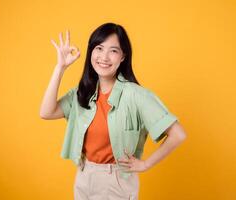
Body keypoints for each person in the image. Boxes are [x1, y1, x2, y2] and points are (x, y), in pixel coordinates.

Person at [40, 22, 187, 200]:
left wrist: (146, 164)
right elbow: (46, 112)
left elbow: (178, 134)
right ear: (91, 52)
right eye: (99, 48)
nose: (104, 57)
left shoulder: (136, 95)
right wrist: (60, 68)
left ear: (123, 57)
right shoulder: (83, 92)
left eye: (113, 50)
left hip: (116, 182)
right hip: (84, 175)